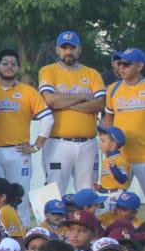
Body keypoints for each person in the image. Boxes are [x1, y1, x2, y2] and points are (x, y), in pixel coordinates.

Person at [38, 30, 106, 196]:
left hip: (88, 143)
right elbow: (50, 101)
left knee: (88, 193)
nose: (68, 51)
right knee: (54, 191)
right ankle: (51, 223)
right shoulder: (48, 71)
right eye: (64, 47)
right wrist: (82, 96)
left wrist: (64, 103)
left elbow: (100, 104)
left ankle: (87, 223)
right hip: (57, 143)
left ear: (79, 49)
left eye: (72, 47)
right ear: (57, 49)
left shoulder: (92, 73)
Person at [0, 48, 52, 215]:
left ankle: (21, 233)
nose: (9, 67)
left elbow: (48, 118)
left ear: (18, 68)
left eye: (13, 64)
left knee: (19, 195)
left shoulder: (28, 91)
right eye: (5, 63)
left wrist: (37, 146)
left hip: (18, 151)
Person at [102, 46, 145, 197]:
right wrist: (108, 149)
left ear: (139, 66)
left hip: (144, 156)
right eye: (119, 63)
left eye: (126, 64)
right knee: (114, 199)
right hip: (120, 156)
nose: (121, 67)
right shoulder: (113, 89)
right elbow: (108, 119)